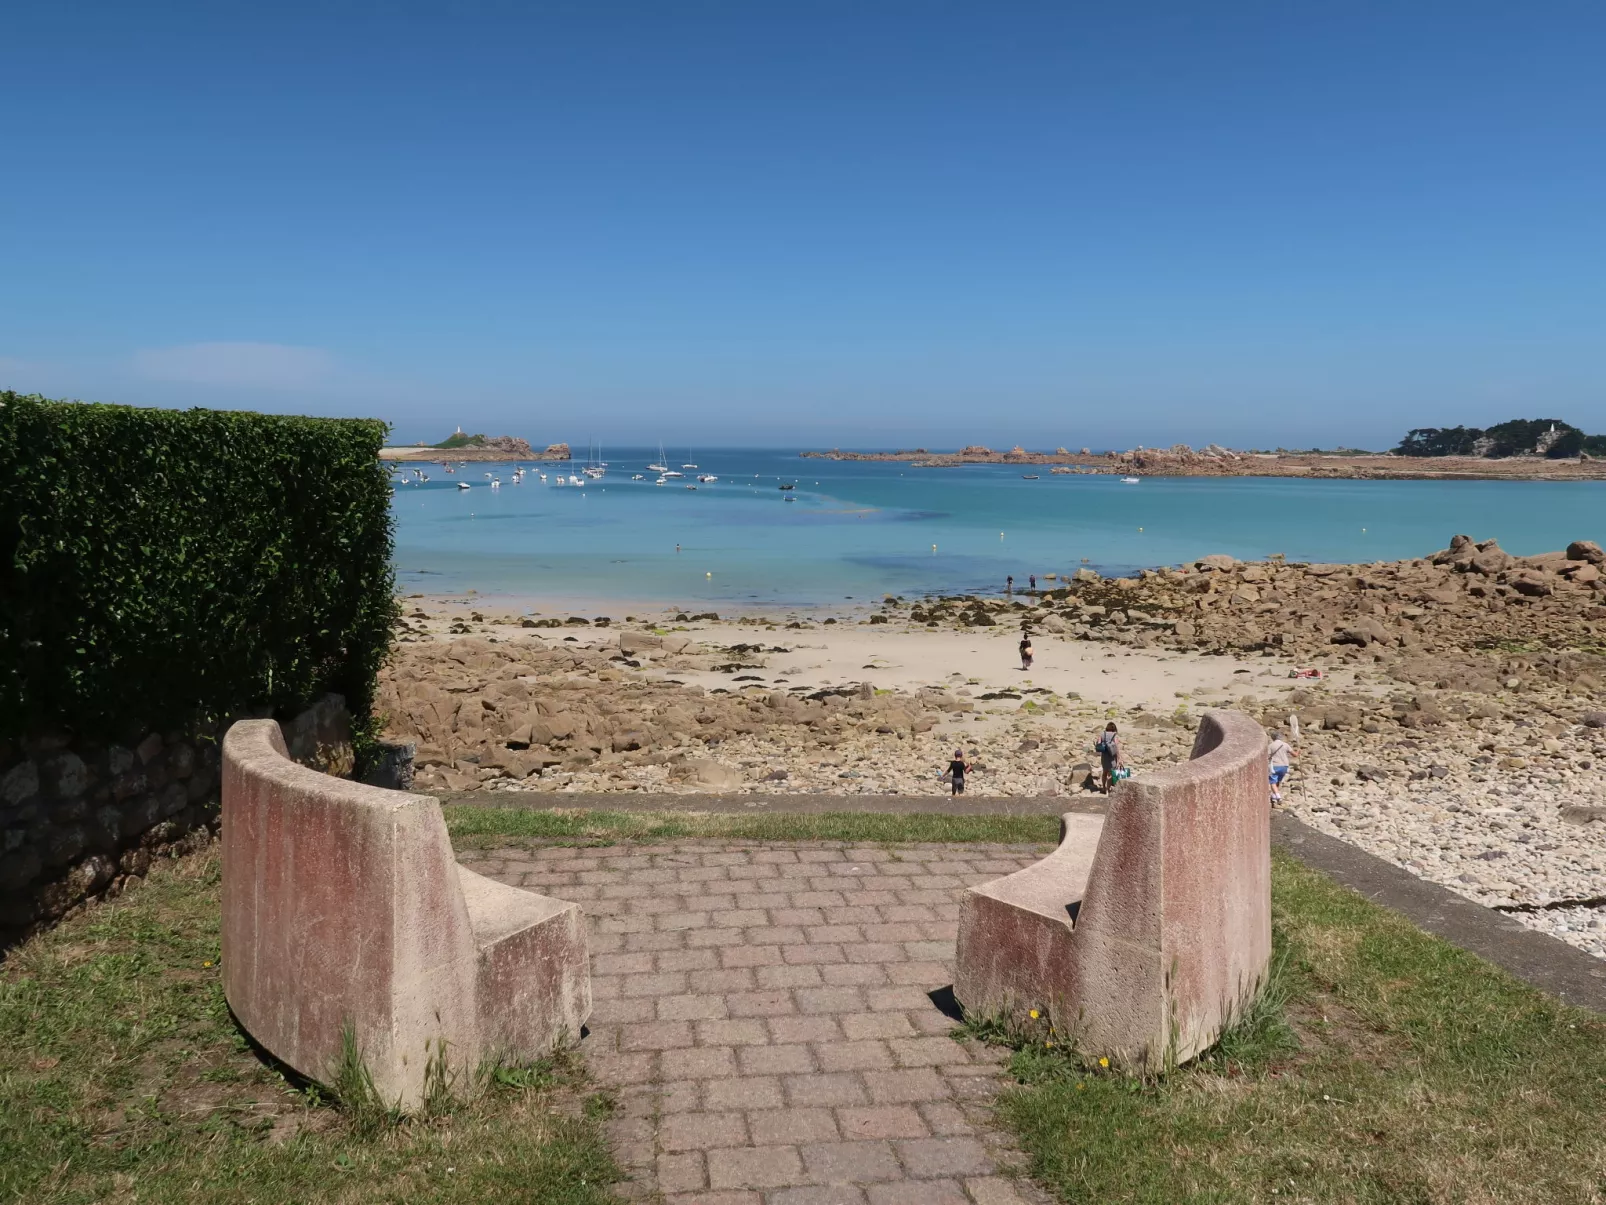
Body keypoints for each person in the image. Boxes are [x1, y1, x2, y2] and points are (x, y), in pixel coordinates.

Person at [1268, 729, 1295, 804]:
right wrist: (1298, 752)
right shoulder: (1285, 744)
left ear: (1272, 737)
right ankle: (1273, 797)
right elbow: (1294, 755)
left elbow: (1267, 755)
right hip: (1284, 766)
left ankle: (1278, 797)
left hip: (1275, 766)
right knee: (1277, 781)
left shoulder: (1271, 746)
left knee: (1272, 782)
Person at [1095, 722, 1122, 794]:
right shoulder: (1114, 735)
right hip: (1112, 756)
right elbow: (1117, 748)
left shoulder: (1102, 734)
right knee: (1110, 773)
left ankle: (1104, 787)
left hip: (1104, 756)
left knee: (1104, 772)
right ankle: (1108, 789)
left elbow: (1098, 742)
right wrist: (1119, 759)